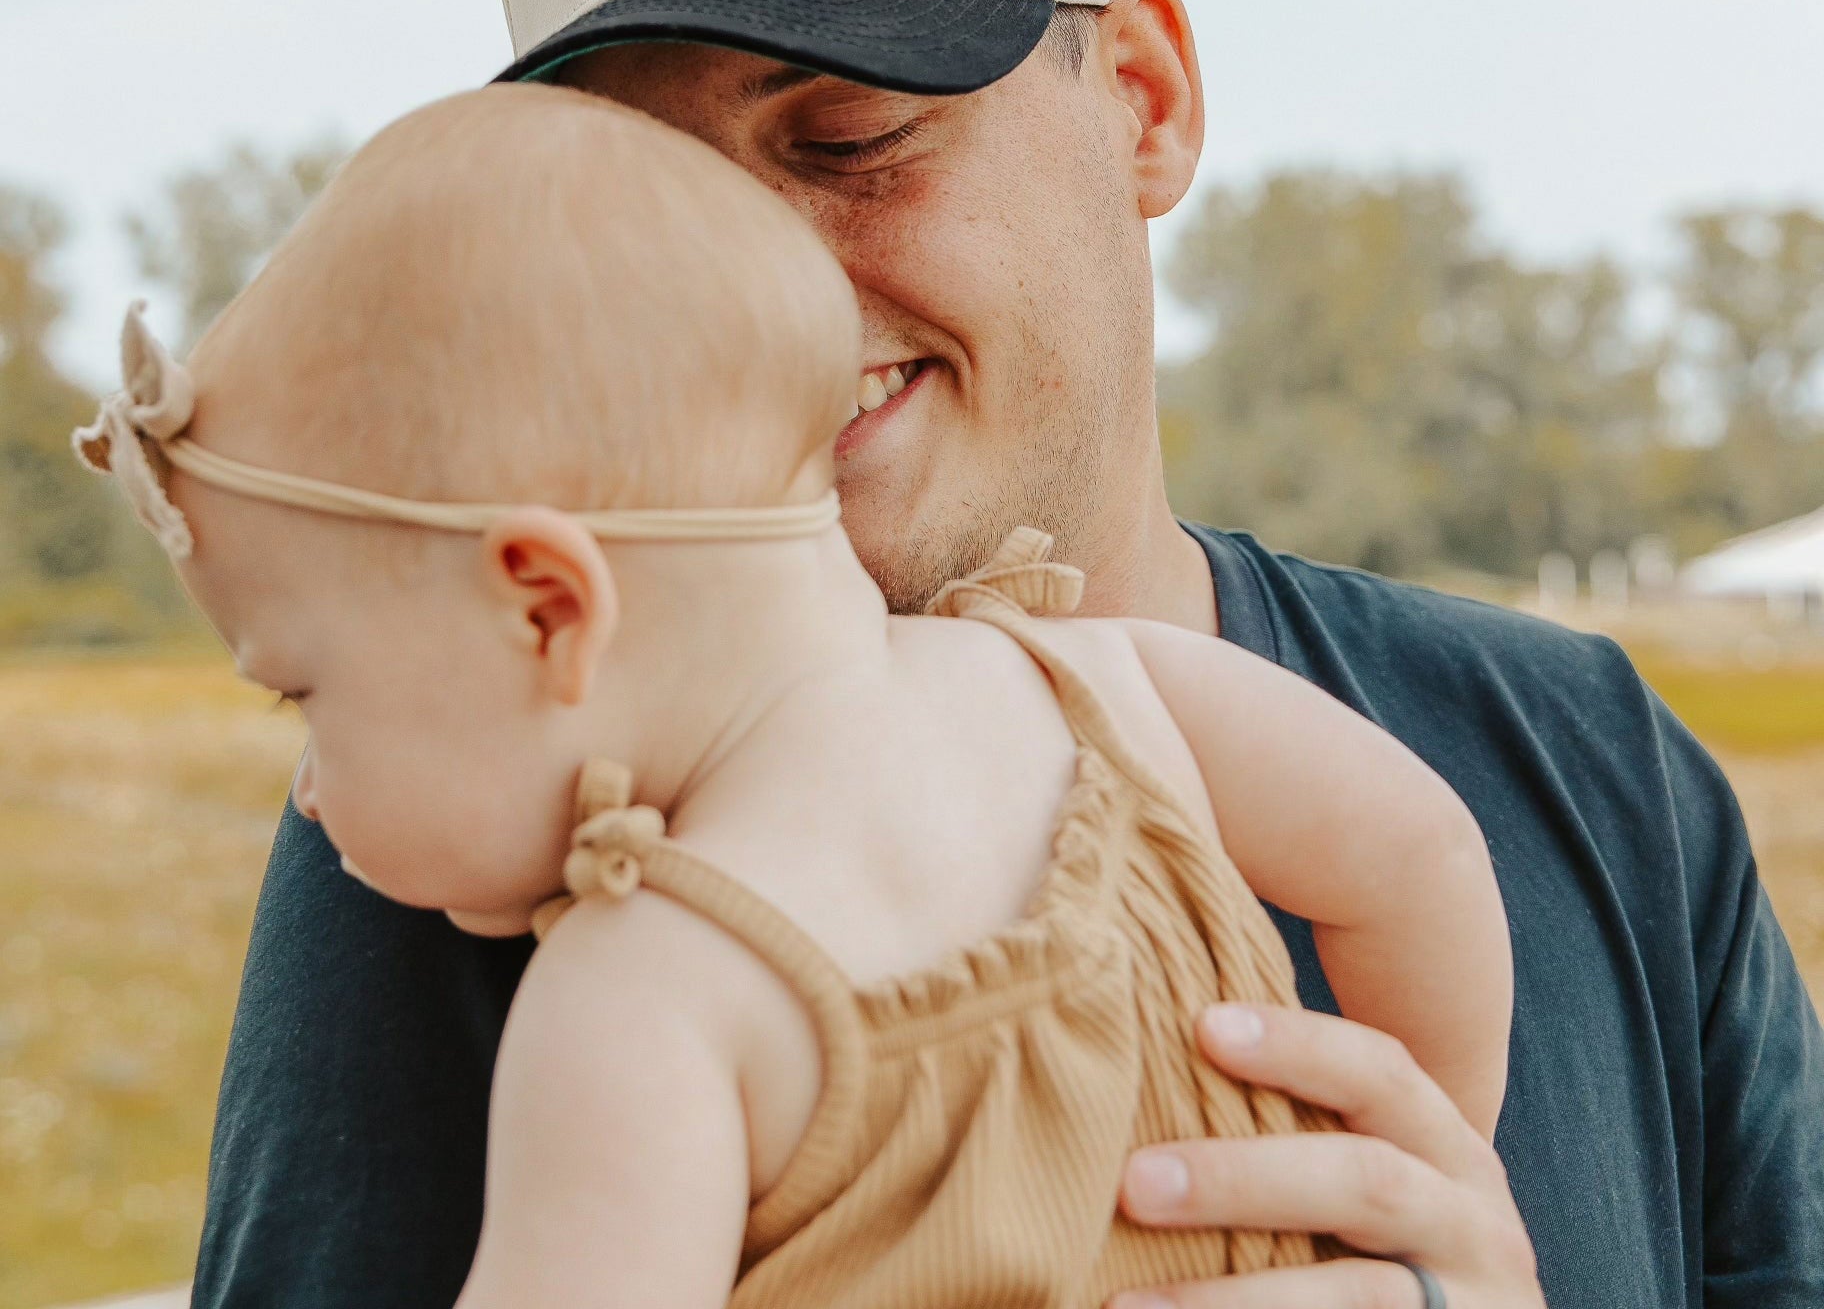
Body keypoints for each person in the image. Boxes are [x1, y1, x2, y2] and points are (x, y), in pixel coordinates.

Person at [189, 0, 1823, 1308]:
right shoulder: (471, 829)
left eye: (847, 142)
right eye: (657, 216)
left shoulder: (1594, 771)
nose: (773, 303)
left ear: (1146, 105)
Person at [80, 84, 1513, 1304]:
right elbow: (1421, 853)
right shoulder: (1109, 687)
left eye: (304, 695)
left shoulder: (646, 1002)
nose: (311, 785)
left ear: (547, 608)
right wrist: (1420, 1162)